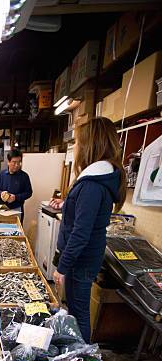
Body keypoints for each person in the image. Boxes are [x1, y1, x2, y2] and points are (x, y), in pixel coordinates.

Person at [53, 117, 126, 343]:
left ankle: (81, 360)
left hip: (81, 261)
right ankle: (76, 355)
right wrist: (68, 204)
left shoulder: (93, 184)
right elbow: (85, 216)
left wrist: (61, 268)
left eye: (79, 143)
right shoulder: (96, 179)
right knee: (76, 309)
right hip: (83, 259)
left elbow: (81, 233)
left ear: (91, 145)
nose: (76, 149)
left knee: (79, 313)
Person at [0, 148, 33, 223]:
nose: (17, 165)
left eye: (19, 162)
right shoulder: (2, 174)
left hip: (17, 209)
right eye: (14, 162)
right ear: (8, 162)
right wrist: (0, 193)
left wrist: (16, 197)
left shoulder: (24, 176)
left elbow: (29, 192)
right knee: (1, 230)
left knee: (17, 232)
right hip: (2, 209)